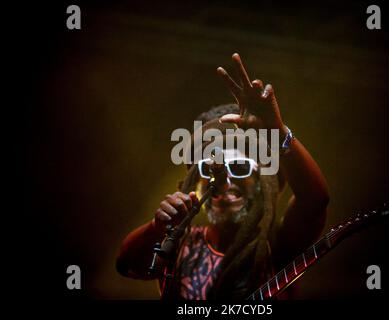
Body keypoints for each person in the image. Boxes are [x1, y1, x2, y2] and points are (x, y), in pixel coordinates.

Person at [116, 53, 329, 300]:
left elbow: (315, 201)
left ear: (264, 183)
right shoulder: (179, 245)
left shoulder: (280, 244)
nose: (225, 181)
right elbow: (127, 266)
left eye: (239, 167)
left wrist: (276, 132)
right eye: (210, 169)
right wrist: (157, 228)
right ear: (195, 183)